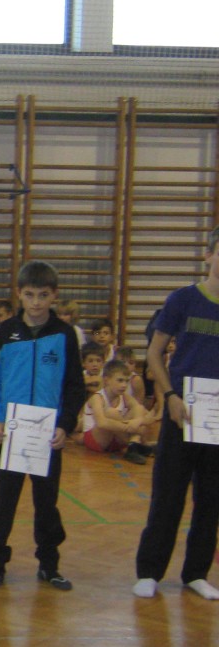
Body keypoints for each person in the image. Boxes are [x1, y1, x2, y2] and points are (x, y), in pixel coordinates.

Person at [0, 260, 85, 590]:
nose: (36, 302)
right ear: (18, 294)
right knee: (4, 502)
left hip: (48, 435)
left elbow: (74, 385)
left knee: (46, 503)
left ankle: (49, 565)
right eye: (29, 295)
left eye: (43, 295)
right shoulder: (5, 333)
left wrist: (65, 424)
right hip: (12, 433)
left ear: (54, 295)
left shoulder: (64, 335)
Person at [134, 226, 219, 600]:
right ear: (209, 255)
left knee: (211, 499)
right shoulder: (183, 299)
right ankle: (149, 572)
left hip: (217, 419)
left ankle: (196, 573)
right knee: (168, 496)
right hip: (181, 411)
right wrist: (168, 394)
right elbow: (154, 353)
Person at [82, 358, 152, 464]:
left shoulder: (125, 397)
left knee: (138, 408)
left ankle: (133, 445)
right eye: (120, 380)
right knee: (112, 413)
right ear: (107, 380)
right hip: (96, 440)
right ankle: (135, 444)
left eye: (126, 381)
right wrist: (129, 427)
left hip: (116, 439)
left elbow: (148, 417)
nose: (124, 385)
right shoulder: (98, 397)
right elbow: (101, 423)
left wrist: (136, 421)